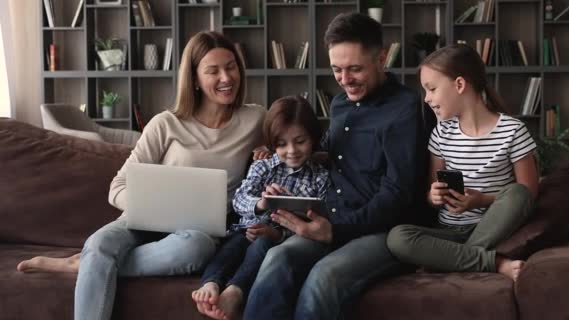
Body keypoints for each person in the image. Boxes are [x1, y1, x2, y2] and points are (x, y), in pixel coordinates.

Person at [17, 31, 267, 320]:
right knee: (99, 244)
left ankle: (88, 264)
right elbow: (117, 187)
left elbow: (291, 143)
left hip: (196, 233)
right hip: (142, 219)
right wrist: (154, 208)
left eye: (231, 66)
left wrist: (267, 149)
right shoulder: (166, 124)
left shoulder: (255, 119)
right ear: (195, 79)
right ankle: (94, 259)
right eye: (213, 71)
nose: (226, 77)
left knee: (195, 249)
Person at [242, 12, 433, 320]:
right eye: (337, 70)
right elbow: (331, 152)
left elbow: (397, 194)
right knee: (279, 257)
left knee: (324, 277)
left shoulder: (407, 109)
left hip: (385, 231)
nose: (344, 80)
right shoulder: (340, 104)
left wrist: (335, 231)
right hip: (334, 217)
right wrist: (279, 154)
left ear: (382, 58)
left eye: (355, 69)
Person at [387, 44, 538, 281]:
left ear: (459, 85)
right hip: (449, 231)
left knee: (518, 192)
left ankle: (455, 260)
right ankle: (488, 261)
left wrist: (480, 200)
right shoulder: (441, 133)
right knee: (398, 237)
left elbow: (529, 194)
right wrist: (434, 196)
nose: (427, 99)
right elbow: (431, 194)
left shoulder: (512, 130)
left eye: (432, 89)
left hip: (491, 227)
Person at [191, 95, 330, 320]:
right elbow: (239, 199)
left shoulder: (320, 178)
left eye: (300, 141)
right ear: (272, 143)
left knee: (262, 246)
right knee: (230, 248)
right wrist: (261, 203)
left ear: (313, 139)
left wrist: (278, 233)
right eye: (282, 144)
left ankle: (235, 291)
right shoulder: (263, 166)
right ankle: (211, 284)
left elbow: (316, 221)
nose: (292, 150)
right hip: (244, 229)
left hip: (276, 238)